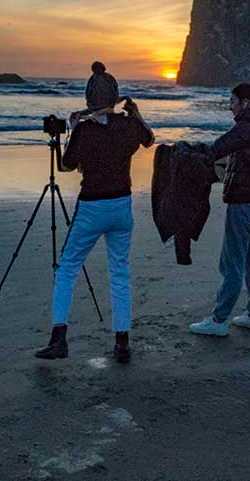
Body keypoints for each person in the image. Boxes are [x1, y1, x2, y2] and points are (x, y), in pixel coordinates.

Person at [34, 62, 154, 364]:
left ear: (89, 99)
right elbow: (149, 139)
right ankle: (122, 342)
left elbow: (66, 165)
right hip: (121, 206)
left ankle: (59, 337)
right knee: (119, 272)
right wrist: (135, 112)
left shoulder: (85, 130)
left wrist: (70, 132)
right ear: (115, 97)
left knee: (67, 268)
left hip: (92, 207)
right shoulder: (127, 126)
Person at [189, 83, 250, 337]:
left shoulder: (245, 128)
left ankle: (218, 320)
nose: (230, 106)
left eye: (232, 101)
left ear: (245, 102)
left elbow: (217, 148)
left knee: (232, 265)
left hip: (244, 205)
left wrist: (185, 150)